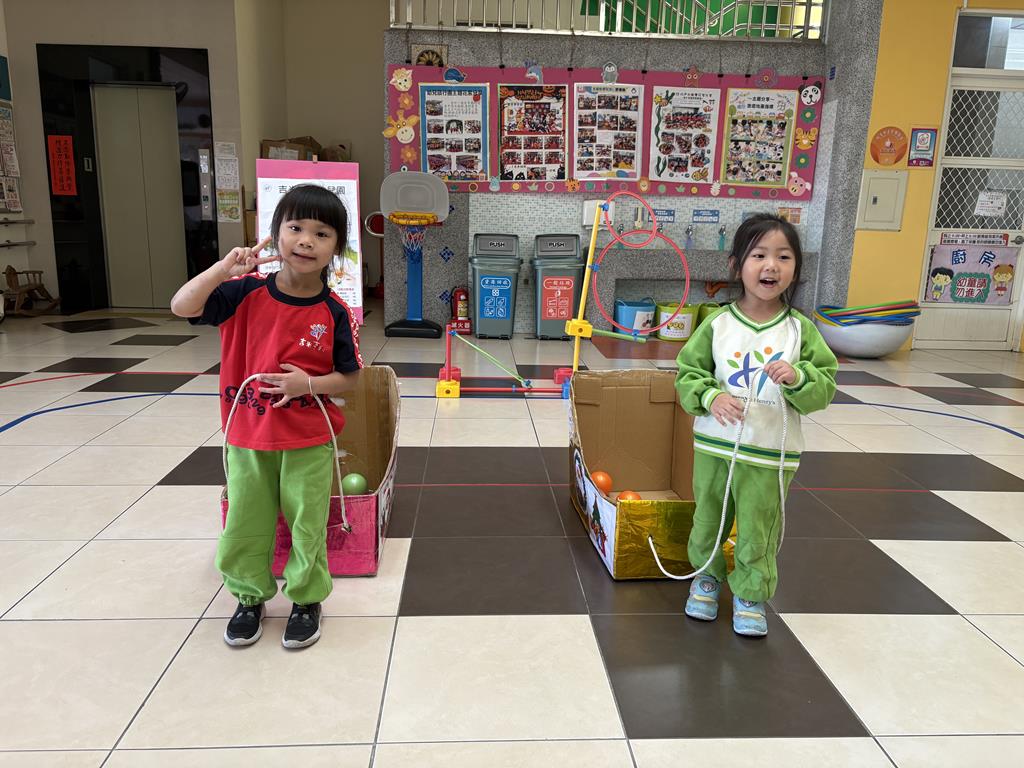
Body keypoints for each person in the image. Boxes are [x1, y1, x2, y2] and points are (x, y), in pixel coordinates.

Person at [170, 184, 362, 649]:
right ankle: (249, 597)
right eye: (295, 228)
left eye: (322, 234)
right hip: (248, 436)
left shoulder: (334, 312)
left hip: (309, 440)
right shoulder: (241, 293)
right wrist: (223, 270)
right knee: (245, 524)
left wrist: (307, 385)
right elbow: (181, 306)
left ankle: (306, 599)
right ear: (275, 234)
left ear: (337, 248)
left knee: (307, 525)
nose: (306, 241)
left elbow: (350, 379)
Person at [674, 214, 836, 637]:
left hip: (770, 453)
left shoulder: (800, 330)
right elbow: (688, 374)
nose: (771, 266)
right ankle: (706, 577)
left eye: (783, 257)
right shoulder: (718, 324)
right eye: (759, 255)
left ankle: (750, 592)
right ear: (737, 264)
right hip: (716, 446)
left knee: (759, 526)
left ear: (795, 268)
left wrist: (799, 377)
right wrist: (711, 397)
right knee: (709, 517)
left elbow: (824, 386)